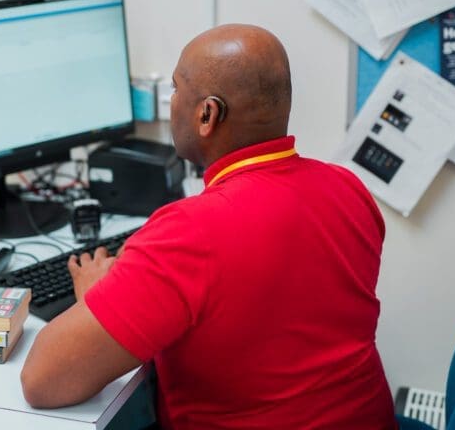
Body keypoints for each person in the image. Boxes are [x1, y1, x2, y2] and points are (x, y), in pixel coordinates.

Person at [21, 24, 397, 429]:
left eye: (177, 89)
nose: (172, 101)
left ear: (207, 114)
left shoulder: (190, 232)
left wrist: (97, 296)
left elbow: (43, 380)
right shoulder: (348, 189)